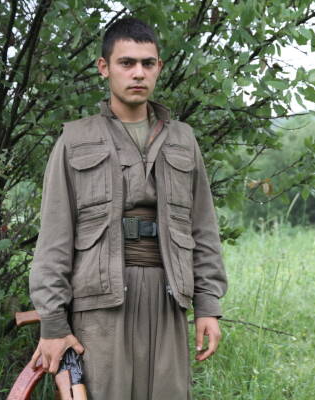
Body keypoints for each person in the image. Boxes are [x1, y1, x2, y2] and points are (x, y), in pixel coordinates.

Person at [29, 17, 228, 399]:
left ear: (159, 68)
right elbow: (54, 238)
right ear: (104, 67)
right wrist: (53, 323)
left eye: (147, 63)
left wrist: (208, 305)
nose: (138, 73)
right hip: (99, 305)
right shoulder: (75, 140)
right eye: (127, 63)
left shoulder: (183, 140)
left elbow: (203, 228)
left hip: (168, 298)